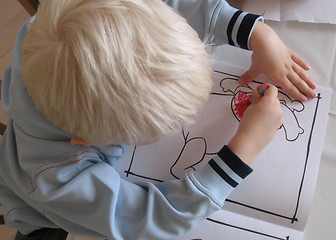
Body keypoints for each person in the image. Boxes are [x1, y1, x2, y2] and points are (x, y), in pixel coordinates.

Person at [0, 0, 316, 239]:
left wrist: (257, 34)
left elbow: (175, 6)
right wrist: (244, 149)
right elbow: (150, 222)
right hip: (45, 212)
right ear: (91, 140)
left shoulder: (91, 13)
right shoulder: (56, 177)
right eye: (160, 132)